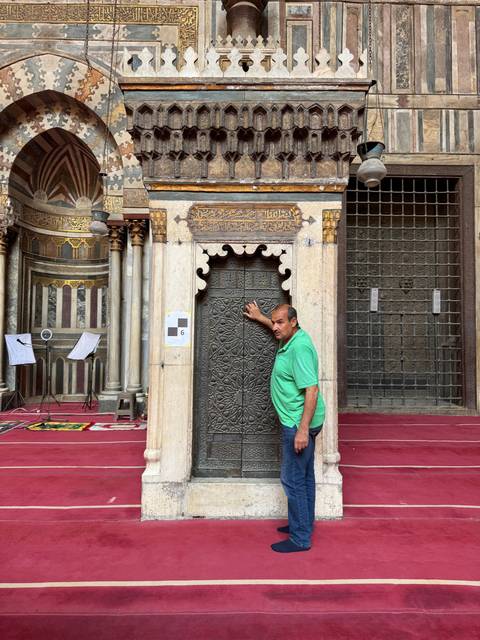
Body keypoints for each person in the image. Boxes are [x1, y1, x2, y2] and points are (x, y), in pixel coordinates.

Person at [244, 301, 325, 553]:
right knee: (305, 476)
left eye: (280, 322)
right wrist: (260, 318)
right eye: (274, 322)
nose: (275, 327)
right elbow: (277, 328)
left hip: (298, 423)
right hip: (301, 420)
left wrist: (302, 430)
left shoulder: (299, 349)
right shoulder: (289, 338)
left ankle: (300, 538)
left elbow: (311, 390)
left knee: (292, 479)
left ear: (294, 322)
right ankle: (302, 524)